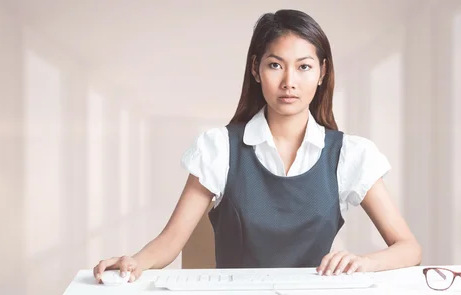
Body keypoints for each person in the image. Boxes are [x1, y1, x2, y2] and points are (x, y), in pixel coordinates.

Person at [94, 9, 422, 283]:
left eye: (304, 66)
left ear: (322, 72)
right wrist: (134, 261)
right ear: (256, 69)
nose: (289, 81)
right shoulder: (218, 148)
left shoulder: (350, 155)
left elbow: (408, 247)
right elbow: (169, 243)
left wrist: (364, 262)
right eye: (275, 65)